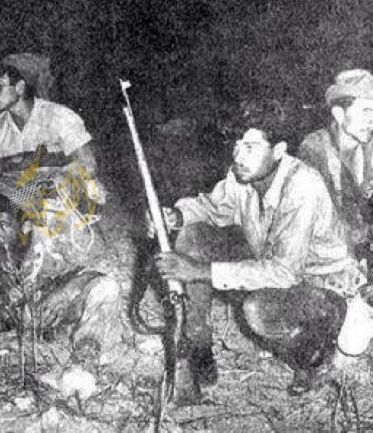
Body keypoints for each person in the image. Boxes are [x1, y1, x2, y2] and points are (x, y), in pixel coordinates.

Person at [153, 107, 366, 404]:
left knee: (258, 310)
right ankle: (196, 348)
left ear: (278, 150)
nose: (238, 156)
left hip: (322, 285)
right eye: (236, 146)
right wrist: (175, 216)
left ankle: (315, 357)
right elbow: (213, 208)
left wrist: (201, 270)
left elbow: (285, 272)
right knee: (192, 235)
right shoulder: (244, 175)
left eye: (250, 147)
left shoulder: (303, 185)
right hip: (273, 267)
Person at [0, 53, 105, 309]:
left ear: (20, 87)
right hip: (20, 200)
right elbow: (0, 177)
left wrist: (56, 176)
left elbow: (89, 165)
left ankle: (56, 277)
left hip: (58, 199)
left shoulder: (58, 116)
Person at [0, 190, 122, 363]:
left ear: (26, 225)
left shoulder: (58, 228)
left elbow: (102, 268)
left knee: (106, 288)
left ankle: (86, 353)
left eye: (3, 224)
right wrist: (3, 308)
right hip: (15, 318)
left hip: (59, 308)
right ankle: (32, 343)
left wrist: (64, 293)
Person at [298, 69, 373, 276]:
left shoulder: (370, 147)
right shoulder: (315, 149)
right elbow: (319, 223)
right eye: (366, 111)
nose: (372, 120)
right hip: (332, 257)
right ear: (339, 114)